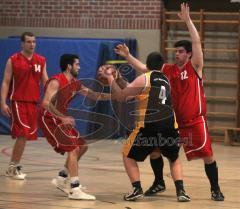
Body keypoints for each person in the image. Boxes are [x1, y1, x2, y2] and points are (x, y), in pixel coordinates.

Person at [114, 3, 224, 201]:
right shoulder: (170, 70)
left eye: (181, 51)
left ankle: (215, 188)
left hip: (195, 120)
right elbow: (146, 69)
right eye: (177, 51)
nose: (177, 53)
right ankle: (159, 183)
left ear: (189, 54)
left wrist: (188, 21)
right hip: (174, 122)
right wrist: (128, 56)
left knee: (207, 155)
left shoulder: (195, 67)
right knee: (156, 151)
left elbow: (197, 43)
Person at [99, 52, 190, 202]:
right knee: (173, 158)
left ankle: (137, 189)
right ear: (162, 66)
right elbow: (132, 91)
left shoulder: (144, 78)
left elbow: (123, 97)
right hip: (170, 125)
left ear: (146, 65)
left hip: (150, 125)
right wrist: (119, 78)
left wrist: (110, 78)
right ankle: (181, 191)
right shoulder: (166, 80)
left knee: (127, 154)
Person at [39, 54, 114, 200]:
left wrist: (116, 96)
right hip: (49, 118)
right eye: (77, 64)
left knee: (83, 146)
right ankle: (75, 189)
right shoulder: (56, 81)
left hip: (61, 119)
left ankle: (61, 178)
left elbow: (93, 95)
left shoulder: (75, 83)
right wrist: (62, 117)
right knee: (73, 148)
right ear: (69, 66)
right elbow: (46, 104)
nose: (79, 67)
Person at [0, 32, 48, 180]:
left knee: (25, 136)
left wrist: (51, 98)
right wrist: (2, 102)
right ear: (22, 43)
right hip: (18, 102)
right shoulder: (13, 60)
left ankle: (14, 165)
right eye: (28, 42)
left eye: (34, 42)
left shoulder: (41, 60)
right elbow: (6, 82)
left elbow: (46, 82)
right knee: (23, 134)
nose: (32, 44)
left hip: (33, 103)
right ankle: (13, 167)